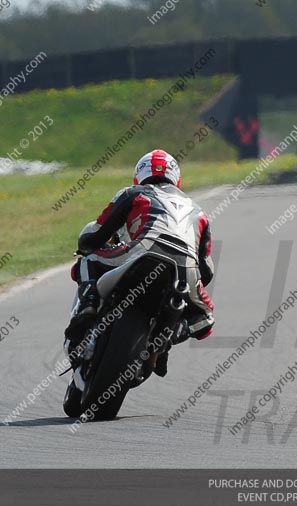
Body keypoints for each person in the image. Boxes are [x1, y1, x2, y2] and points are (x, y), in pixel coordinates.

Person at [64, 149, 215, 376]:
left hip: (142, 253)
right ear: (177, 178)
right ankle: (169, 336)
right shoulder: (198, 211)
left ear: (138, 176)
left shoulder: (133, 193)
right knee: (206, 317)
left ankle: (89, 306)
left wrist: (86, 244)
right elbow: (206, 270)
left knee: (89, 259)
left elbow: (96, 235)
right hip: (186, 270)